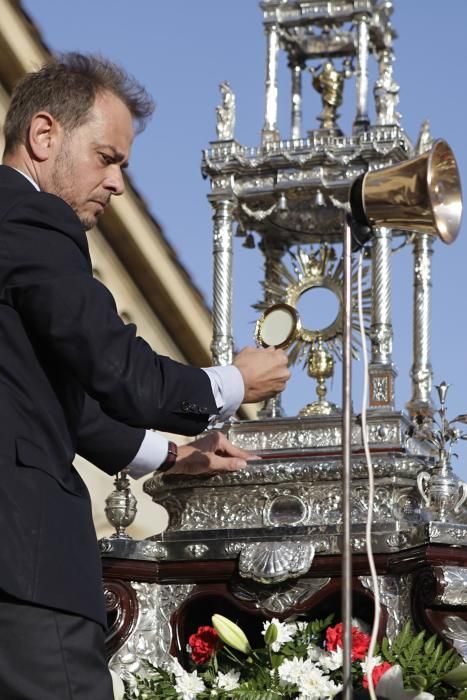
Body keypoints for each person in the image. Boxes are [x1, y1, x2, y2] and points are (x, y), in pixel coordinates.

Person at [0, 53, 290, 699]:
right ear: (44, 136)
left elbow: (46, 394)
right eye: (108, 157)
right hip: (22, 566)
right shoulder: (29, 217)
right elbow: (112, 366)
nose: (118, 184)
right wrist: (231, 384)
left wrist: (169, 454)